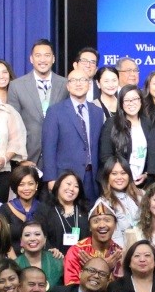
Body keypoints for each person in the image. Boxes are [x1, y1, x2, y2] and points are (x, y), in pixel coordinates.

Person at [41, 73, 108, 203]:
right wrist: (51, 179)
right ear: (68, 85)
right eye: (74, 80)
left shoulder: (97, 112)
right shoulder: (55, 111)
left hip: (92, 177)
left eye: (83, 79)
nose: (78, 83)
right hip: (64, 177)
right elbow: (48, 147)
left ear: (89, 85)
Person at [5, 39, 64, 170]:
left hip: (59, 156)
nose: (42, 60)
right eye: (38, 55)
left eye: (47, 55)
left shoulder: (65, 84)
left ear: (53, 59)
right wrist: (19, 158)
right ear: (31, 59)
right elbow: (13, 126)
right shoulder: (16, 86)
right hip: (28, 157)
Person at [62, 202, 123, 285]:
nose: (102, 225)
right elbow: (71, 289)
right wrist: (103, 266)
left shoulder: (119, 254)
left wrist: (94, 268)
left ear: (115, 225)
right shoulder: (77, 251)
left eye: (107, 220)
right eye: (96, 221)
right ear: (90, 227)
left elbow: (121, 290)